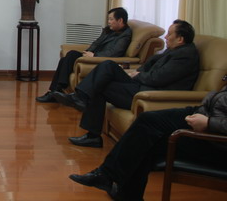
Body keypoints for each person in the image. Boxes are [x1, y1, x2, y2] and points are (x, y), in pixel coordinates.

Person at [69, 79, 227, 201]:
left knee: (148, 135)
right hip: (203, 115)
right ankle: (117, 186)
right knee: (146, 126)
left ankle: (110, 179)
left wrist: (209, 123)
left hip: (216, 141)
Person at [54, 19, 199, 148]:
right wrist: (134, 71)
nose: (166, 37)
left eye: (169, 34)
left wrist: (138, 75)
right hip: (142, 85)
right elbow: (150, 68)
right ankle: (81, 101)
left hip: (149, 93)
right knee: (108, 66)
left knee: (101, 82)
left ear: (180, 39)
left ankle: (90, 128)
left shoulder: (185, 55)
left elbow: (158, 78)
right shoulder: (175, 50)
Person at [36, 7, 132, 103]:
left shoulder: (125, 34)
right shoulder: (108, 30)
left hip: (99, 60)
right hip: (91, 56)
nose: (109, 22)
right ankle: (54, 90)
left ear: (120, 20)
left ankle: (55, 91)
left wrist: (94, 55)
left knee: (68, 58)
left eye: (111, 19)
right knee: (69, 56)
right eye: (108, 19)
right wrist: (87, 52)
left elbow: (114, 52)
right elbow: (96, 43)